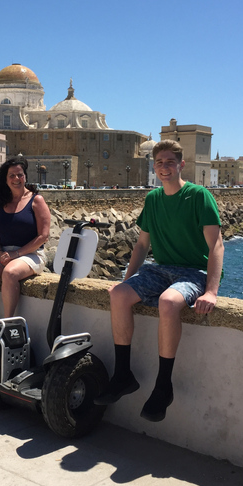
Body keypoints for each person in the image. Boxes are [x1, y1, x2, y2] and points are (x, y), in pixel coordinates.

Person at [95, 139, 224, 422]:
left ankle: (164, 385)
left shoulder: (199, 196)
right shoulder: (153, 199)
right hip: (161, 268)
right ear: (154, 166)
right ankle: (123, 374)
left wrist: (211, 292)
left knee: (168, 302)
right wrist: (125, 281)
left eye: (169, 162)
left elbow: (216, 245)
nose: (164, 168)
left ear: (181, 164)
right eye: (159, 163)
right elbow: (141, 246)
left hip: (193, 272)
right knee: (118, 296)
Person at [0, 156, 51, 326]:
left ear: (25, 177)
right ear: (6, 178)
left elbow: (43, 236)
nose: (16, 179)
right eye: (12, 175)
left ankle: (8, 324)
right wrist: (1, 253)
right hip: (5, 253)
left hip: (32, 254)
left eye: (20, 175)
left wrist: (16, 253)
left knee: (10, 273)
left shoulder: (36, 200)